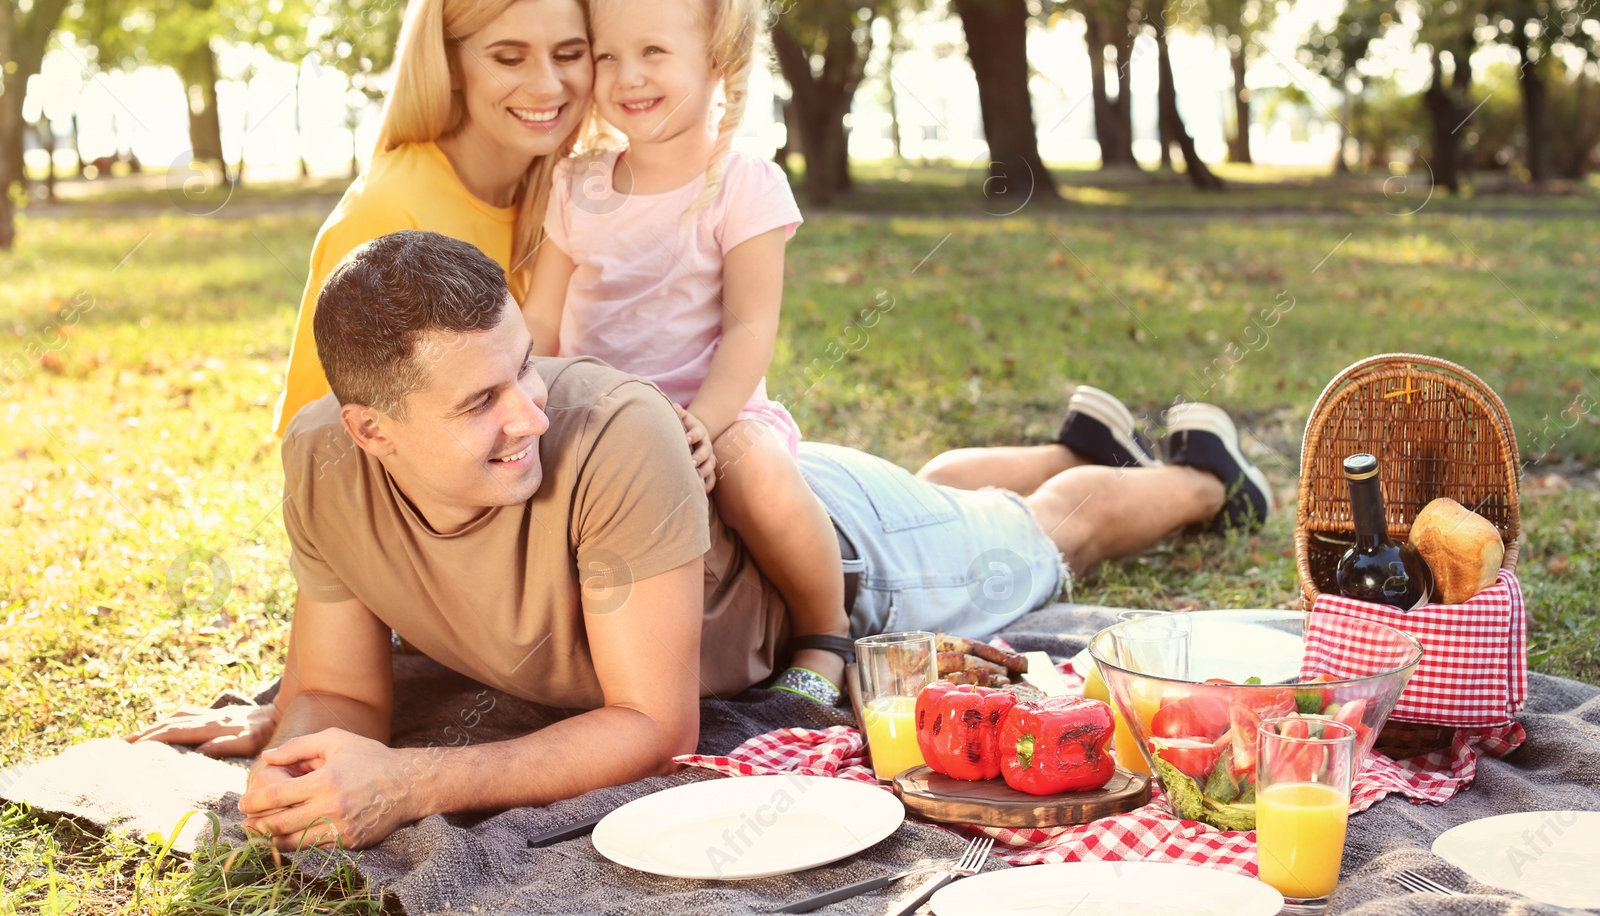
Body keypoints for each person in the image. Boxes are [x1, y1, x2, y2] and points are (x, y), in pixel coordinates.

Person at [134, 231, 1271, 850]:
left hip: (845, 560)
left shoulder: (610, 433)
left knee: (1044, 534)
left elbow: (654, 720)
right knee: (940, 484)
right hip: (758, 507)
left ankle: (1195, 475)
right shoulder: (323, 461)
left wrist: (409, 784)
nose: (527, 409)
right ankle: (1073, 439)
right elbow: (339, 690)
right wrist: (311, 764)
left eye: (523, 365)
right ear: (373, 431)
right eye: (481, 400)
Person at [521, 0, 850, 704]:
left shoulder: (743, 185)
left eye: (654, 52)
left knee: (755, 470)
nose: (627, 76)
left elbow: (749, 328)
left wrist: (702, 422)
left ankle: (825, 632)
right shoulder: (576, 185)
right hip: (600, 416)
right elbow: (542, 318)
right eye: (606, 56)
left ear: (718, 61)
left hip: (712, 414)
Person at [272, 0, 597, 437]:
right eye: (509, 58)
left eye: (569, 54)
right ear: (449, 64)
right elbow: (316, 439)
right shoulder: (388, 213)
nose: (547, 84)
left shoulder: (582, 196)